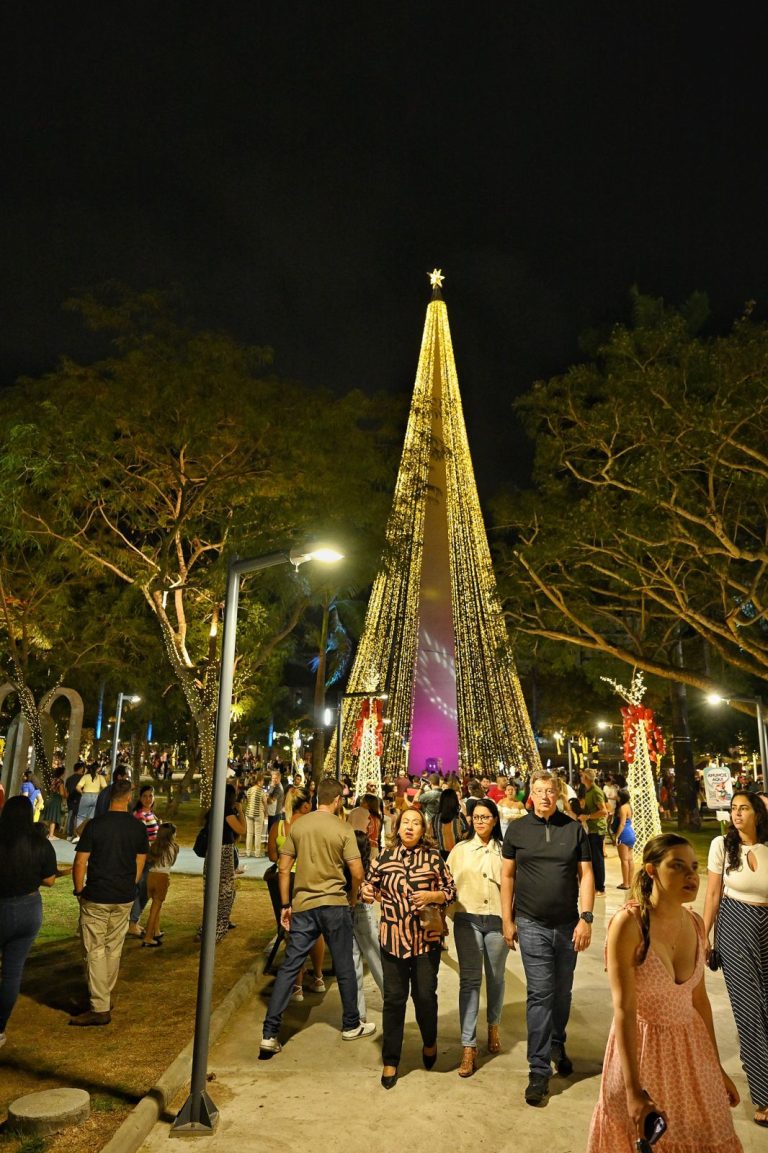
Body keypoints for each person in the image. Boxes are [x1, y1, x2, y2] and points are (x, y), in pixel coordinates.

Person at [587, 834, 742, 1152]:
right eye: (678, 866)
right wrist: (632, 1090)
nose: (691, 875)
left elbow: (699, 1001)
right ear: (651, 870)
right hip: (642, 1054)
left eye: (694, 867)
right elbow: (625, 1010)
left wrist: (717, 1068)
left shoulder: (697, 924)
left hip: (693, 1056)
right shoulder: (629, 925)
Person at [259, 777, 376, 1054]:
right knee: (345, 965)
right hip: (334, 904)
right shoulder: (343, 828)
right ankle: (350, 1025)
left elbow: (284, 868)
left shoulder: (299, 826)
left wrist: (286, 904)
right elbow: (357, 872)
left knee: (289, 967)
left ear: (317, 798)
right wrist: (353, 892)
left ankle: (269, 1033)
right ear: (337, 801)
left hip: (303, 906)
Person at [501, 770, 594, 1106]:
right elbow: (507, 875)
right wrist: (507, 919)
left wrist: (586, 918)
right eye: (538, 791)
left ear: (557, 793)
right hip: (532, 924)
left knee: (561, 992)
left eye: (549, 790)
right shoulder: (517, 830)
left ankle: (557, 1042)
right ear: (531, 794)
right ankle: (538, 1069)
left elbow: (586, 876)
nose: (544, 796)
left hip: (568, 924)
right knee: (540, 993)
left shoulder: (573, 830)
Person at [362, 806, 456, 1090]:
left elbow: (451, 892)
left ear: (423, 830)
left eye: (416, 823)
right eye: (406, 822)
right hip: (393, 939)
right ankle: (391, 1059)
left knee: (425, 995)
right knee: (394, 999)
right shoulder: (384, 858)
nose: (410, 827)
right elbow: (369, 887)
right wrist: (366, 892)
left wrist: (432, 894)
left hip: (425, 939)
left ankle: (429, 1040)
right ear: (398, 827)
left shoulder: (434, 859)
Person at [703, 791, 768, 1128]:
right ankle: (764, 1094)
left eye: (745, 808)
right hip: (733, 925)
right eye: (733, 808)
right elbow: (713, 893)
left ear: (759, 813)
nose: (737, 814)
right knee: (749, 1010)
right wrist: (706, 934)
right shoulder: (721, 846)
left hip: (766, 927)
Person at [70, 778, 148, 1026]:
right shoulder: (137, 828)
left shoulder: (95, 826)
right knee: (113, 949)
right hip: (123, 896)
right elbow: (140, 861)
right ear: (128, 797)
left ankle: (100, 1006)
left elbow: (81, 861)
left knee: (94, 949)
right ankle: (103, 996)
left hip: (98, 895)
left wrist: (79, 889)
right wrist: (131, 884)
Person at [447, 797, 506, 1077]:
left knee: (495, 978)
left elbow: (513, 888)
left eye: (486, 817)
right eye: (476, 817)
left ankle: (493, 1026)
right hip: (467, 920)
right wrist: (451, 915)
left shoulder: (504, 852)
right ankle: (468, 1046)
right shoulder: (460, 851)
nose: (480, 821)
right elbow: (446, 885)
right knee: (470, 981)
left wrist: (511, 921)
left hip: (496, 921)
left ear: (494, 820)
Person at [0, 796, 58, 1048]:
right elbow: (50, 880)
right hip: (28, 908)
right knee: (12, 974)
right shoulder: (40, 843)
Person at [268, 788, 326, 1000]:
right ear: (305, 805)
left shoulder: (279, 827)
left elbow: (272, 856)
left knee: (293, 931)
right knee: (316, 930)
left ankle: (297, 985)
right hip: (309, 881)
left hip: (285, 882)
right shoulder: (312, 827)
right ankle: (318, 977)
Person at [350, 829, 384, 1022]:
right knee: (376, 959)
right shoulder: (369, 866)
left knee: (352, 963)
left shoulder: (345, 865)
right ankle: (392, 999)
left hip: (348, 910)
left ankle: (358, 1013)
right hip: (364, 912)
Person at [127, 784, 159, 938]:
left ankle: (134, 921)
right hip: (144, 857)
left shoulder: (151, 814)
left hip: (151, 857)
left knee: (144, 890)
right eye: (145, 796)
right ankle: (132, 922)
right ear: (140, 798)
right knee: (142, 890)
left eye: (151, 796)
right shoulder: (140, 815)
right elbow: (141, 839)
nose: (148, 799)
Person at [142, 822, 179, 948]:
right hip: (162, 877)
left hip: (151, 876)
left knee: (155, 905)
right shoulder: (173, 847)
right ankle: (148, 937)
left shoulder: (154, 846)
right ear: (172, 834)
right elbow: (172, 863)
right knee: (155, 908)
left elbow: (149, 860)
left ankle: (156, 931)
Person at [579, 768, 609, 895]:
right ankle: (595, 884)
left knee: (597, 859)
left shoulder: (596, 791)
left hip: (597, 829)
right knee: (593, 858)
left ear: (586, 778)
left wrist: (588, 816)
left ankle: (600, 887)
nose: (580, 778)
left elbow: (603, 811)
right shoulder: (589, 791)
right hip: (591, 829)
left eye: (582, 776)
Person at [432, 786, 468, 860]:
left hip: (441, 856)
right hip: (459, 855)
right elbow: (467, 836)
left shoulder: (434, 819)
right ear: (455, 801)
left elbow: (432, 839)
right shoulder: (459, 817)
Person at [614, 787, 635, 890]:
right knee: (630, 859)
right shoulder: (629, 806)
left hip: (624, 834)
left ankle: (625, 883)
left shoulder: (622, 808)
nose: (616, 797)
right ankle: (630, 882)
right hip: (631, 832)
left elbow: (622, 823)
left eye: (617, 795)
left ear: (620, 797)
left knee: (624, 860)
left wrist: (617, 836)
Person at [75, 762, 107, 829]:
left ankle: (78, 834)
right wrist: (99, 793)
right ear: (98, 769)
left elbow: (78, 787)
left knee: (81, 816)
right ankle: (89, 834)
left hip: (86, 796)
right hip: (96, 797)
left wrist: (82, 793)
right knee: (91, 818)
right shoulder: (101, 777)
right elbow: (105, 788)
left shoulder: (85, 776)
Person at [244, 773, 266, 857]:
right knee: (257, 834)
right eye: (263, 781)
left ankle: (248, 852)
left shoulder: (249, 790)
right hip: (258, 813)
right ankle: (257, 853)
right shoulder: (261, 791)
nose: (263, 782)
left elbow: (248, 800)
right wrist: (266, 812)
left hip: (249, 813)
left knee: (249, 833)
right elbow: (265, 803)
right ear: (259, 781)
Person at [42, 764, 67, 837]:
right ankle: (51, 835)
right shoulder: (60, 781)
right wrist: (66, 795)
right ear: (62, 773)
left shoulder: (53, 780)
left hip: (50, 798)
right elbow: (62, 793)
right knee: (53, 818)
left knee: (49, 817)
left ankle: (48, 833)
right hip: (56, 799)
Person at [64, 760, 85, 839]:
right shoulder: (83, 778)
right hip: (80, 799)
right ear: (80, 769)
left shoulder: (69, 779)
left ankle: (69, 834)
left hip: (71, 800)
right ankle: (78, 835)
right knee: (80, 818)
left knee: (71, 816)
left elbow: (67, 791)